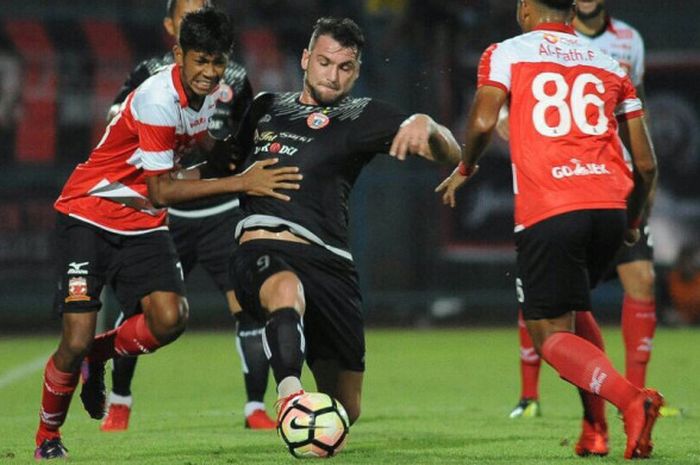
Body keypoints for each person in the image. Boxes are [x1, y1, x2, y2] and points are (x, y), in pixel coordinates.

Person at [33, 8, 302, 460]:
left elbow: (207, 152)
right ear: (179, 54)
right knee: (73, 339)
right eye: (201, 61)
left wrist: (251, 158)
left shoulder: (211, 96)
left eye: (218, 62)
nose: (210, 72)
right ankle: (47, 438)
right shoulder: (158, 97)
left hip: (142, 221)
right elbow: (162, 190)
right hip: (89, 214)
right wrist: (242, 181)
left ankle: (96, 357)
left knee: (170, 318)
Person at [436, 0, 661, 459]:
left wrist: (467, 164)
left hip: (552, 208)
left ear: (524, 10)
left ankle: (629, 400)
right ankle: (594, 430)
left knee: (548, 335)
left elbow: (481, 121)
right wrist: (633, 221)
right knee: (576, 312)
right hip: (610, 208)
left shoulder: (507, 51)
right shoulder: (609, 62)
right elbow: (646, 163)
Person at [229, 17, 461, 428]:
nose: (332, 76)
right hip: (263, 245)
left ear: (356, 71)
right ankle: (288, 394)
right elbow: (220, 167)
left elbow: (451, 154)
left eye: (345, 67)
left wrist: (428, 123)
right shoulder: (264, 107)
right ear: (305, 59)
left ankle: (311, 420)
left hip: (330, 264)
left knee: (345, 409)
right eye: (324, 62)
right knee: (285, 289)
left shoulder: (364, 115)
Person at [100, 0, 275, 433]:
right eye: (187, 15)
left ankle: (256, 408)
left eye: (203, 11)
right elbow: (117, 120)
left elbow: (245, 138)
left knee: (248, 307)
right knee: (144, 309)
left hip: (220, 214)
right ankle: (119, 400)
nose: (195, 20)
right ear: (171, 29)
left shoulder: (230, 76)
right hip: (166, 215)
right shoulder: (150, 76)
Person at [508, 0, 680, 420]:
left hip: (609, 185)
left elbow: (636, 111)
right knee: (561, 298)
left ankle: (628, 398)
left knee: (632, 280)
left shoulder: (626, 42)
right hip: (574, 187)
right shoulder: (542, 46)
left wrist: (643, 193)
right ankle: (534, 398)